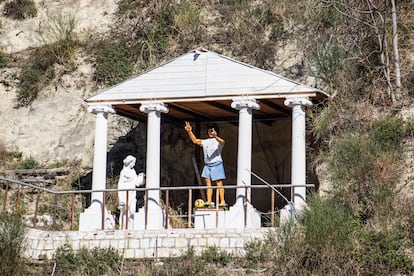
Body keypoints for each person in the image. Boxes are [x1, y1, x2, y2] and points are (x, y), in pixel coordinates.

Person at [184, 121, 226, 207]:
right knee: (207, 182)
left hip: (217, 164)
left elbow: (223, 142)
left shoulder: (217, 141)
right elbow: (195, 141)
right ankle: (209, 200)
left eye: (213, 130)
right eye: (209, 131)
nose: (211, 132)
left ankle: (222, 201)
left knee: (218, 182)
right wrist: (189, 131)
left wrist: (216, 136)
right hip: (207, 165)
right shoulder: (205, 141)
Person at [118, 155, 145, 229]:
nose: (134, 164)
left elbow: (137, 183)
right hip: (124, 194)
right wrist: (120, 198)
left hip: (132, 194)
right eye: (133, 162)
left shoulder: (133, 172)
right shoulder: (123, 172)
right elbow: (120, 185)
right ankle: (123, 227)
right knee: (124, 212)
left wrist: (141, 177)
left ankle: (131, 227)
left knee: (132, 211)